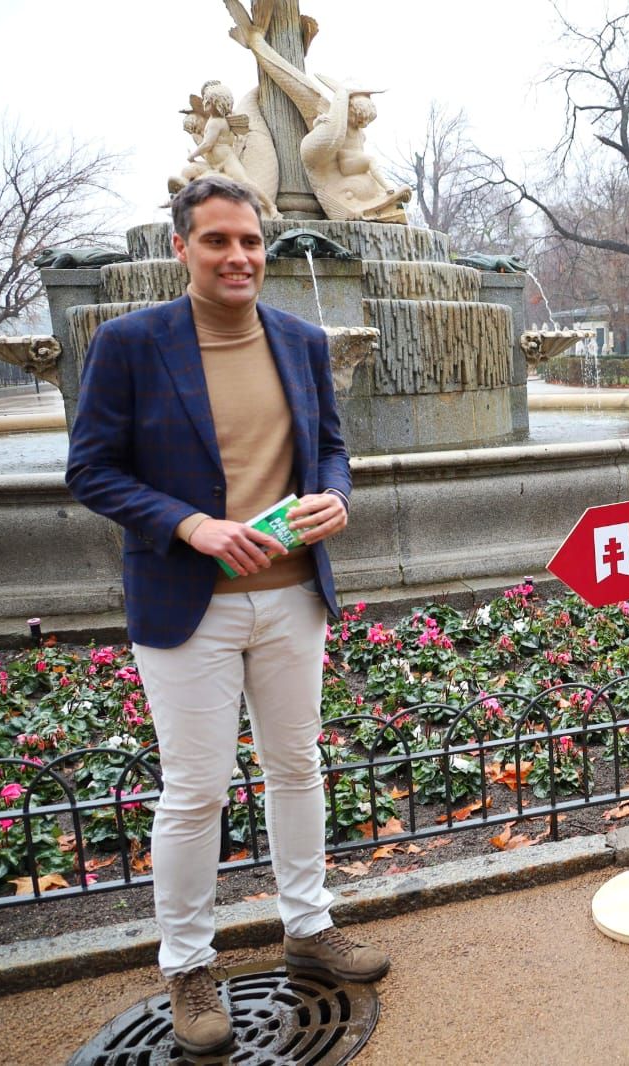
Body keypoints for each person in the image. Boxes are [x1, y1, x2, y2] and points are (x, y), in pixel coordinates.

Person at [65, 176, 389, 1055]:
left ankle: (308, 925)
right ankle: (187, 966)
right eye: (217, 241)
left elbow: (330, 447)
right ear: (184, 248)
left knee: (296, 765)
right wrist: (192, 524)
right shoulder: (130, 344)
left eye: (250, 241)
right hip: (186, 602)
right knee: (196, 791)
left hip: (291, 594)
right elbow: (90, 470)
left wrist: (334, 496)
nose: (238, 256)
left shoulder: (300, 338)